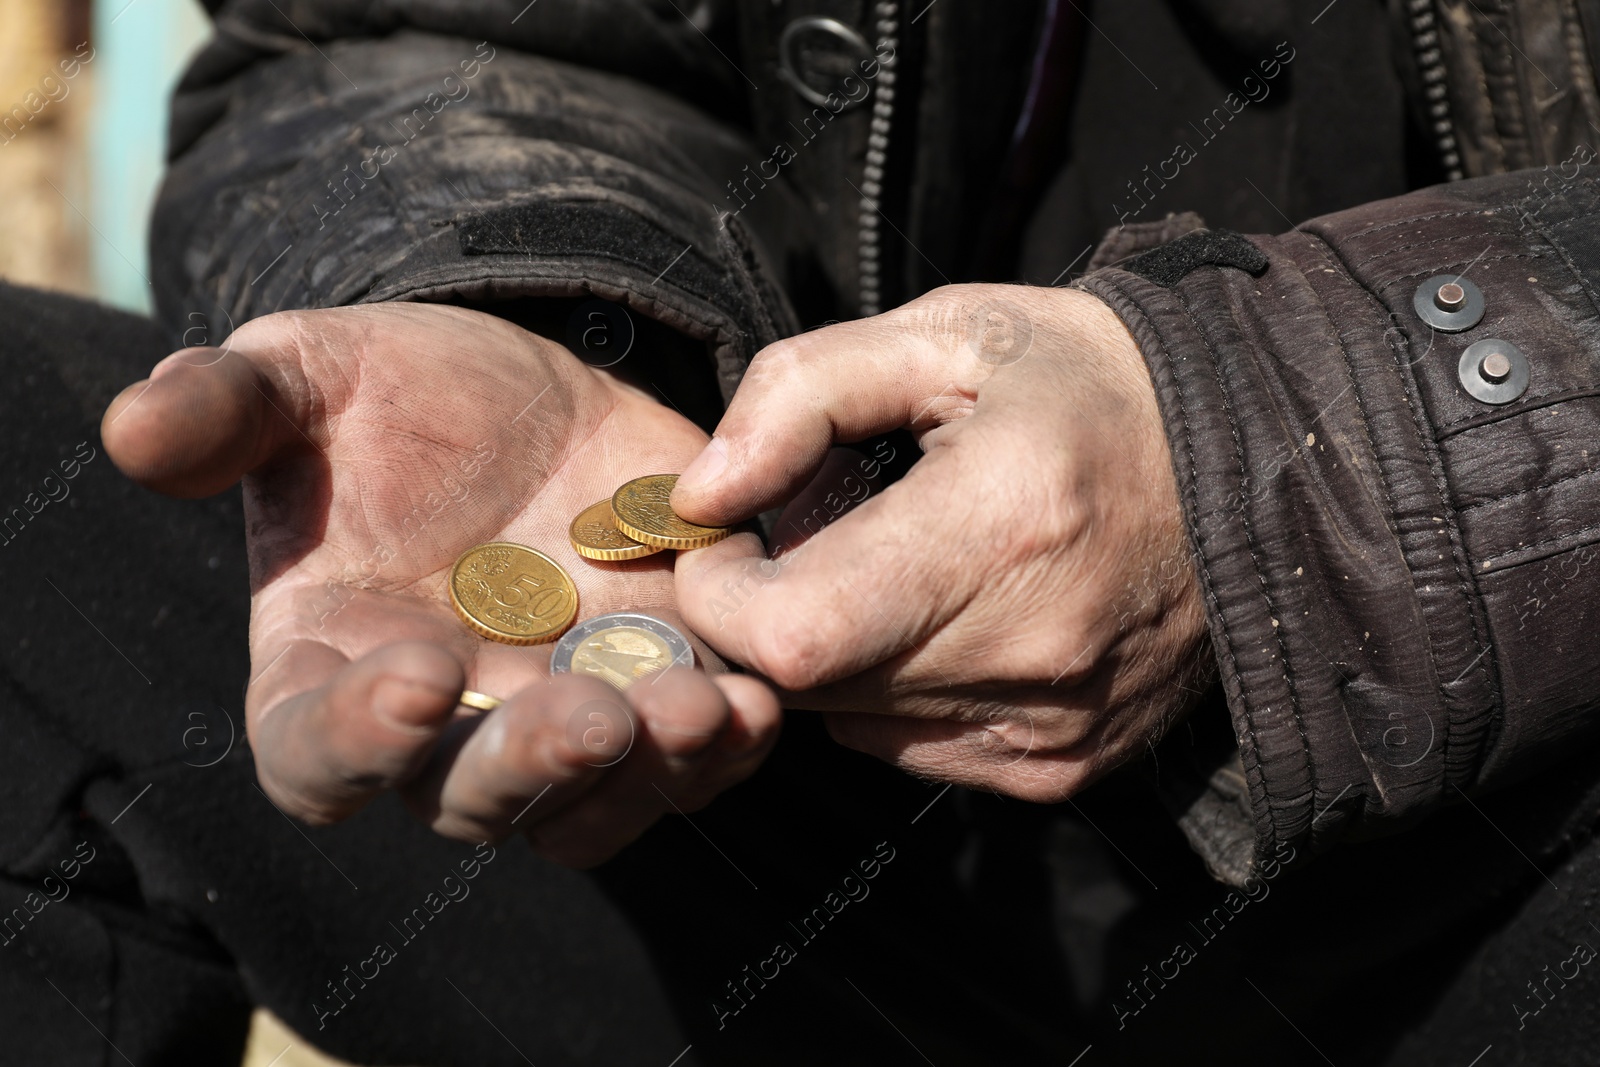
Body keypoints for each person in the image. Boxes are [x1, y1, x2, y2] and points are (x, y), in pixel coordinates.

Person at [4, 0, 1599, 1063]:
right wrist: (516, 297)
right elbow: (400, 26)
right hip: (807, 789)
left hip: (1513, 847)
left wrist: (1276, 455)